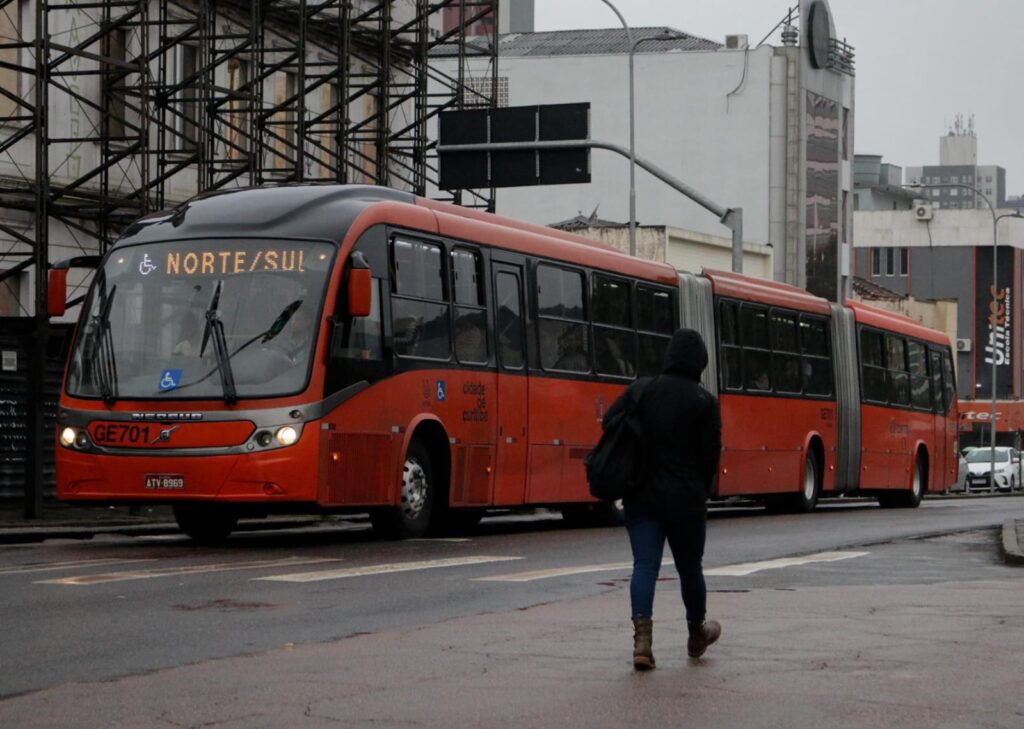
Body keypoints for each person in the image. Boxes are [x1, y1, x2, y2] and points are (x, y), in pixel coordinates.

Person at [602, 328, 723, 670]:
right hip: (686, 500)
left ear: (669, 356)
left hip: (642, 496)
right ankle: (696, 634)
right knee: (690, 569)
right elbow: (710, 457)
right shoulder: (705, 403)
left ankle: (642, 642)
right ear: (699, 363)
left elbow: (609, 422)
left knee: (644, 566)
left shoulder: (641, 389)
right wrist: (699, 490)